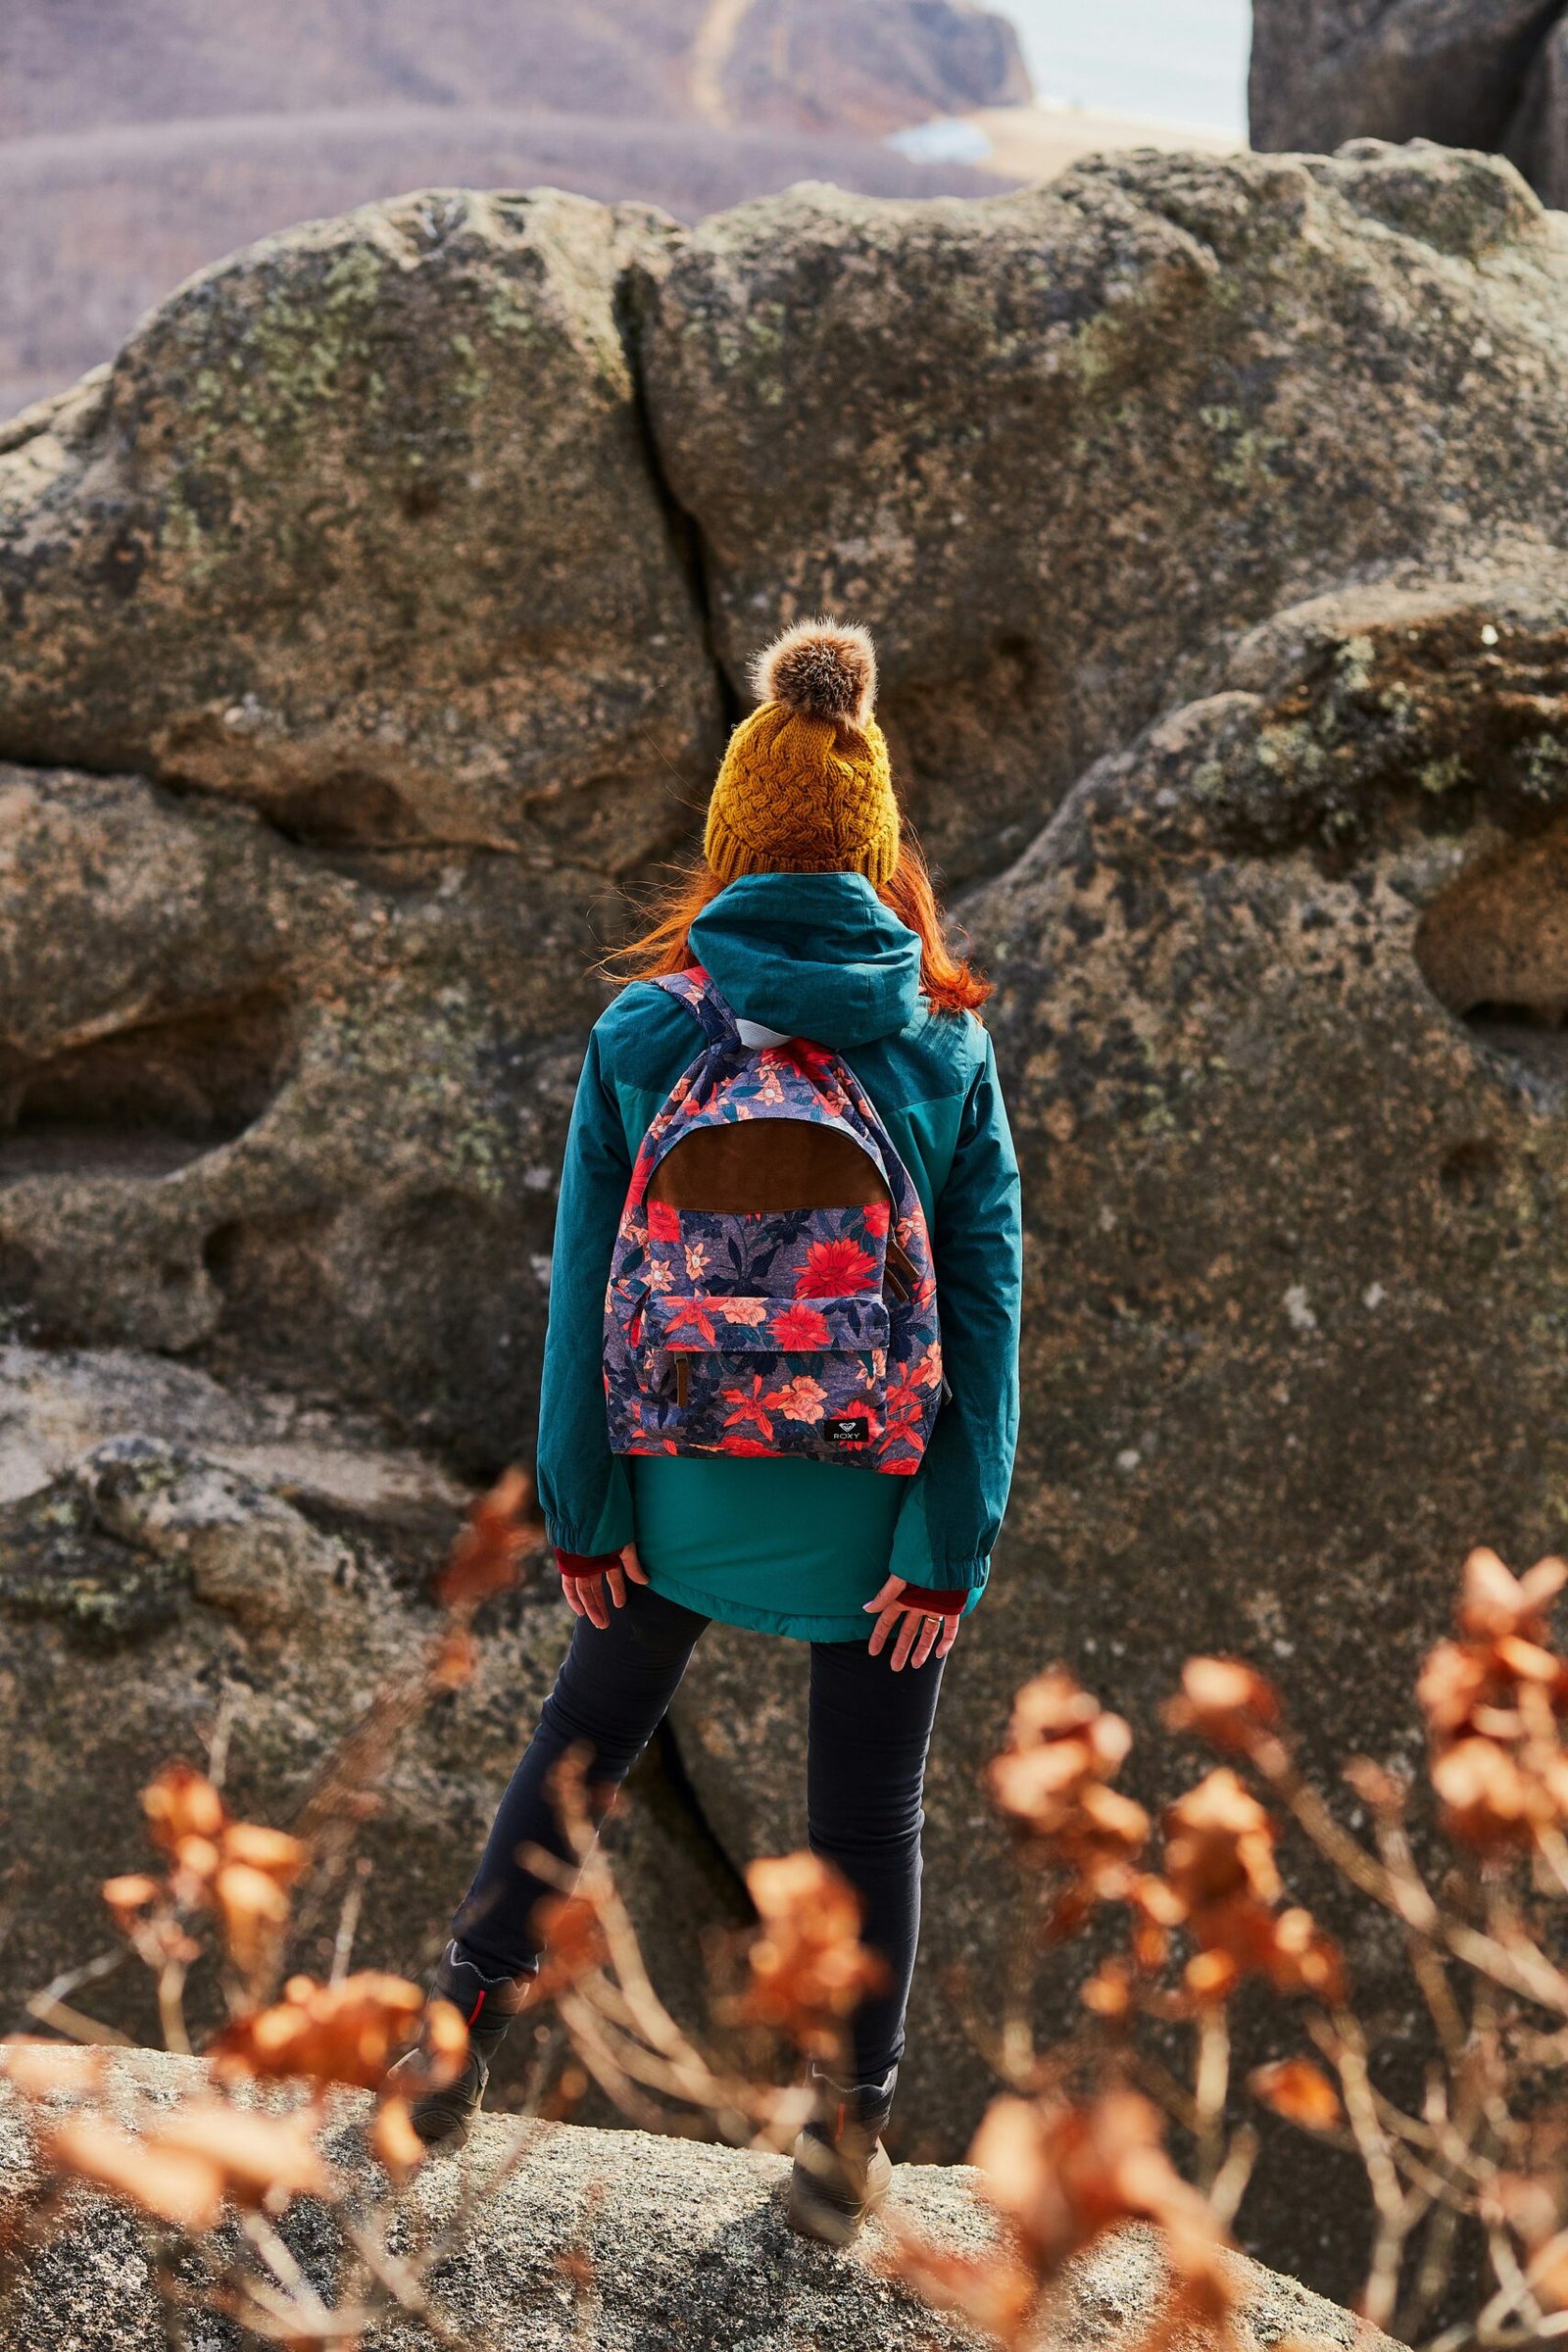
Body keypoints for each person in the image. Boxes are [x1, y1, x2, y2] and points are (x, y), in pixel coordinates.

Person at [398, 617, 1022, 2245]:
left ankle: (454, 2037)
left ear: (730, 843)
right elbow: (988, 1311)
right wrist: (947, 1543)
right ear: (877, 848)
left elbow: (584, 1293)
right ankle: (842, 2142)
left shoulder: (649, 1034)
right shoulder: (944, 1041)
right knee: (863, 1814)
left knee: (584, 1744)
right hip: (872, 1492)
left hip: (670, 1484)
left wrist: (586, 1513)